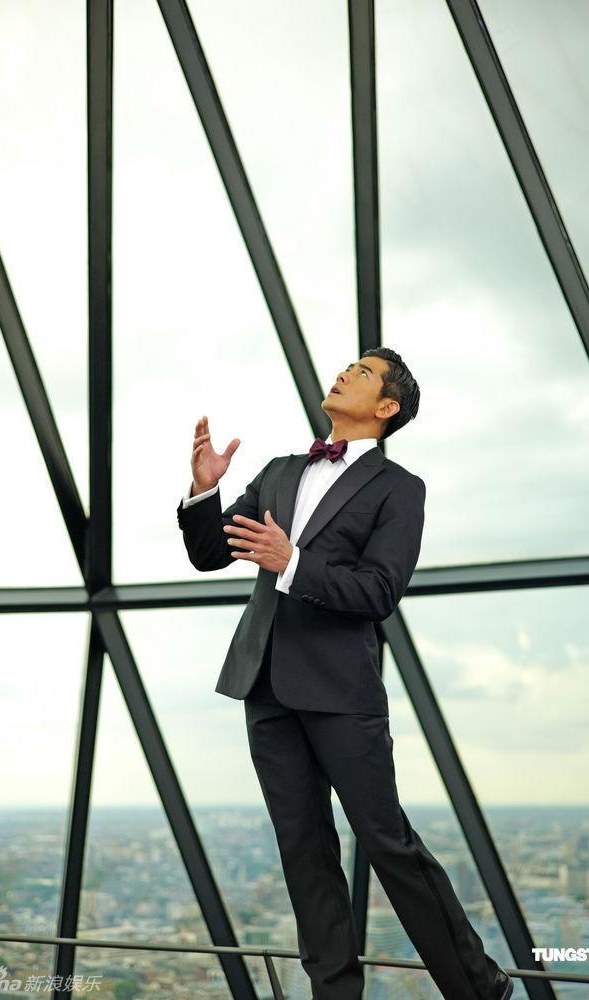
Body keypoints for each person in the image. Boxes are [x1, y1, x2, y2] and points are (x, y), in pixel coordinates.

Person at [176, 347, 513, 1000]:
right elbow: (211, 554)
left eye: (361, 373)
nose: (342, 373)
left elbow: (378, 592)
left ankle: (479, 990)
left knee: (387, 843)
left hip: (340, 691)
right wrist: (203, 491)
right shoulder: (277, 472)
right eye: (346, 367)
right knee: (303, 850)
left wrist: (293, 561)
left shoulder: (399, 489)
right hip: (265, 683)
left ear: (386, 408)